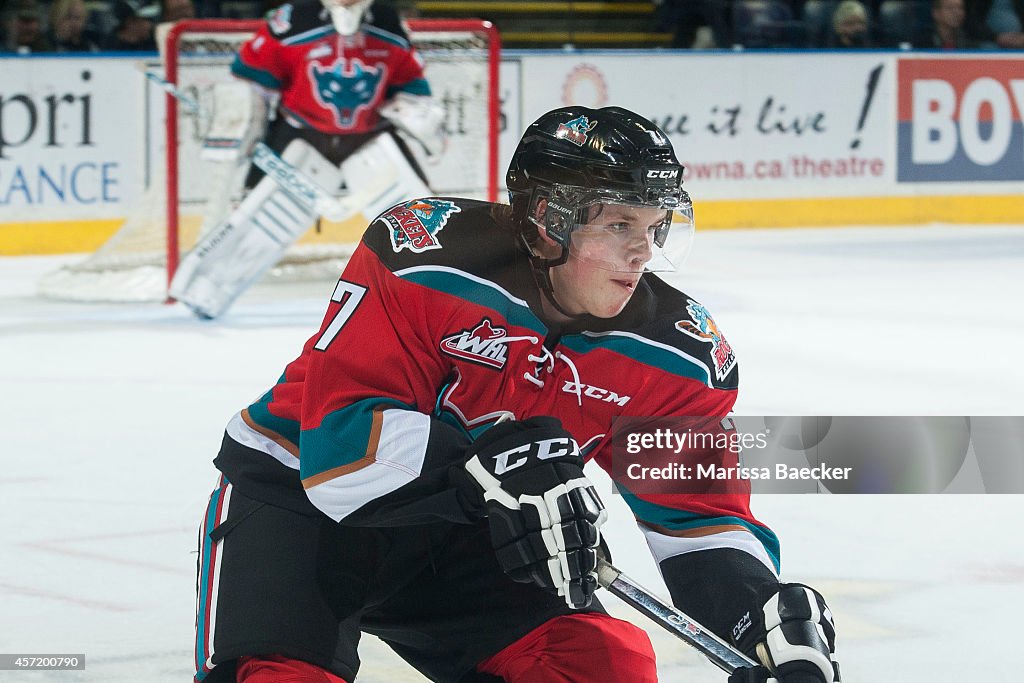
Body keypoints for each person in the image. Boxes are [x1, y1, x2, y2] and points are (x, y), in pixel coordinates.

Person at [192, 104, 841, 683]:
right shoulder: (423, 257)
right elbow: (337, 458)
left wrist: (755, 612)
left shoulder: (677, 356)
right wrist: (491, 464)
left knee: (594, 665)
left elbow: (699, 518)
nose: (642, 251)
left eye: (654, 226)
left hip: (473, 531)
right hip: (298, 499)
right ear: (545, 221)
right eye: (619, 225)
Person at [168, 0, 443, 319]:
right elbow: (253, 79)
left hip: (368, 136)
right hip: (300, 133)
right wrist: (243, 119)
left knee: (418, 214)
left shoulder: (385, 20)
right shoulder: (295, 18)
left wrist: (417, 116)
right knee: (257, 219)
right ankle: (206, 290)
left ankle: (435, 296)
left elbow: (410, 85)